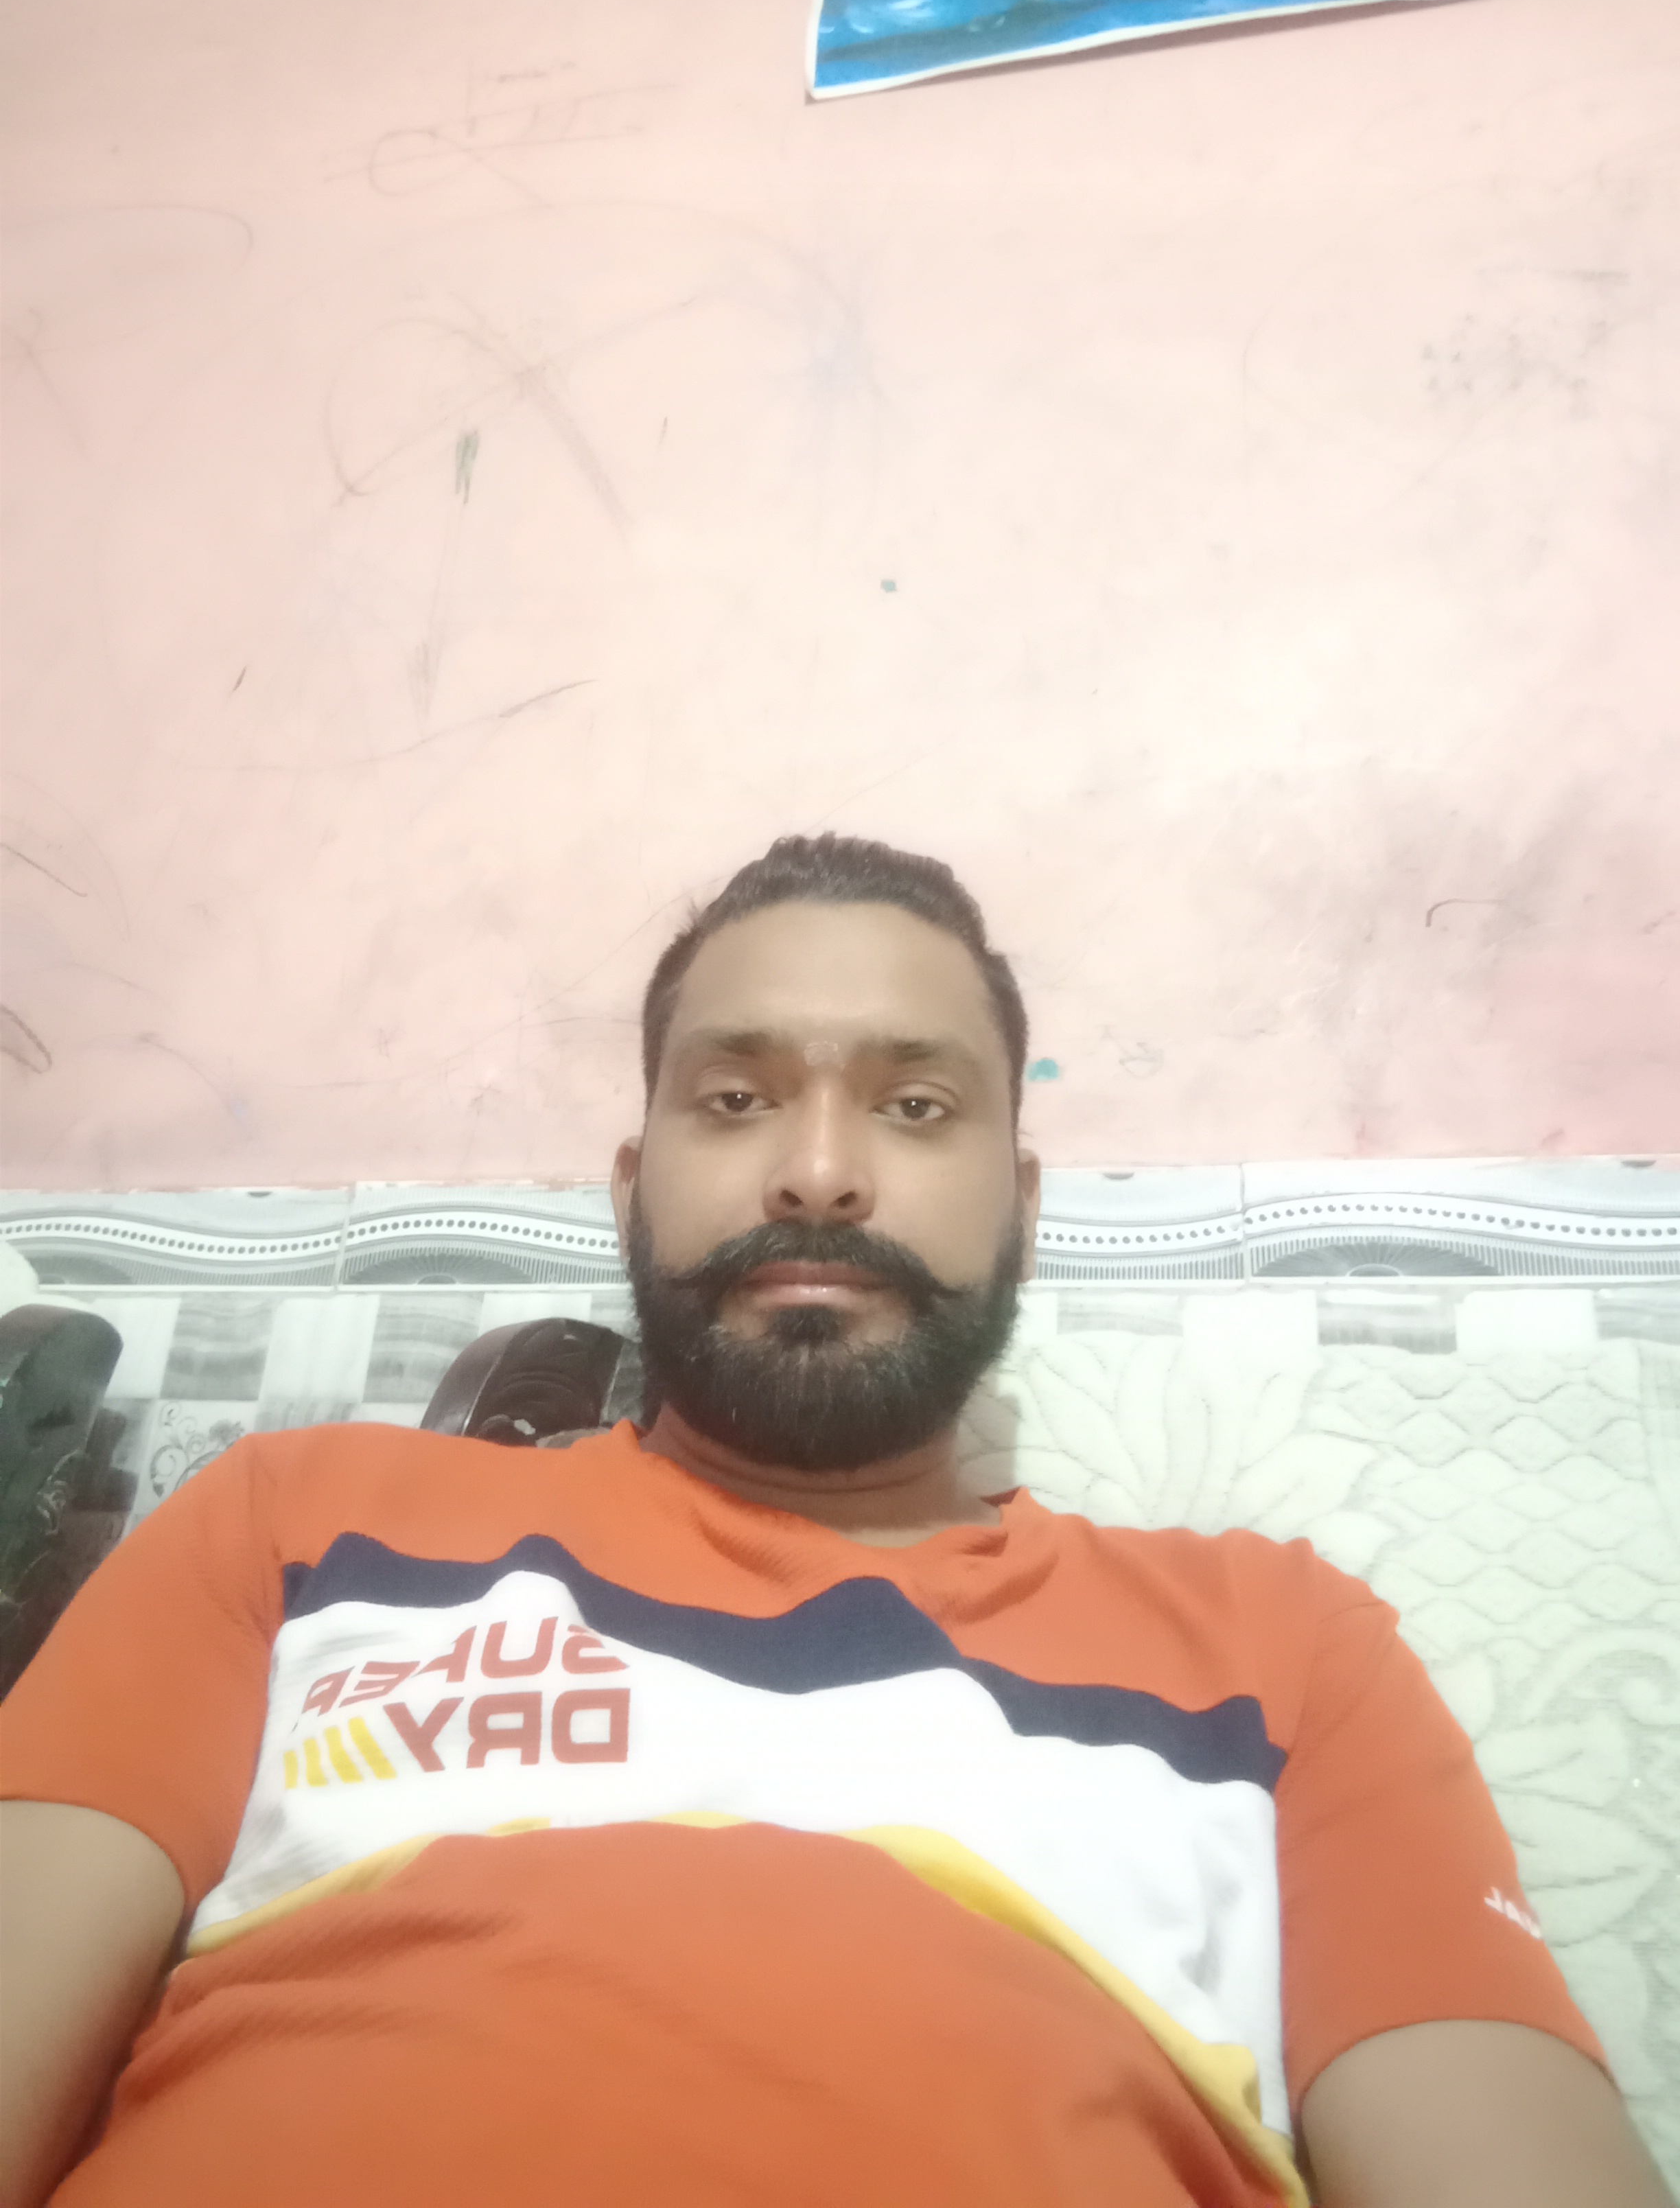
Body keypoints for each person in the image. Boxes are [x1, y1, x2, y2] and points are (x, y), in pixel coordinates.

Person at [0, 834, 1668, 2208]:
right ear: (630, 1185)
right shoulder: (296, 1523)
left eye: (916, 1106)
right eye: (734, 1099)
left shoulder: (1284, 1656)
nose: (817, 1173)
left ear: (1022, 1206)